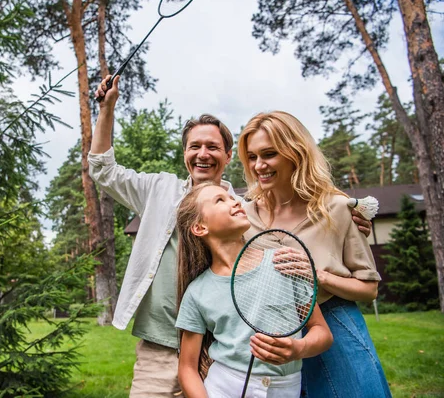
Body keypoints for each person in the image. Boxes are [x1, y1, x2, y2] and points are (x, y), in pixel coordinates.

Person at [90, 76, 372, 397]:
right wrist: (107, 107)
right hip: (160, 344)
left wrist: (341, 220)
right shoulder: (158, 190)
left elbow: (292, 218)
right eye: (194, 146)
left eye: (212, 147)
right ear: (185, 153)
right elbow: (102, 170)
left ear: (227, 156)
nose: (202, 153)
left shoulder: (244, 212)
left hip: (219, 349)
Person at [237, 111, 391, 398]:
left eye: (269, 154)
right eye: (252, 156)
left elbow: (369, 289)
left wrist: (317, 276)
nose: (259, 165)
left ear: (295, 152)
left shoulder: (338, 208)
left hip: (336, 331)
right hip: (268, 337)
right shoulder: (242, 217)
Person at [174, 182, 333, 397]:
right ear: (200, 227)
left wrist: (298, 349)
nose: (236, 201)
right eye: (220, 200)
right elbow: (187, 368)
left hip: (285, 388)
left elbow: (322, 332)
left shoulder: (283, 263)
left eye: (232, 197)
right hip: (224, 387)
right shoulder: (196, 292)